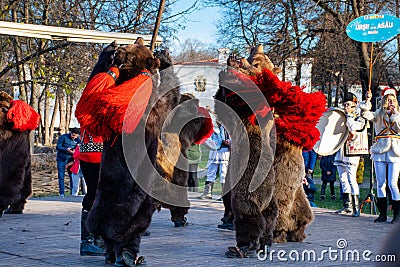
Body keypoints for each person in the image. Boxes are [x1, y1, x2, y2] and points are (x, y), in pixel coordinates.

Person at [361, 87, 400, 224]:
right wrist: (367, 101)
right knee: (381, 183)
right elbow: (366, 115)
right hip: (380, 150)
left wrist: (394, 115)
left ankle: (397, 214)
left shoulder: (399, 114)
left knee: (392, 183)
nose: (390, 102)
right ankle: (382, 213)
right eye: (388, 100)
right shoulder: (378, 114)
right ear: (383, 101)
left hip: (395, 151)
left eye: (392, 100)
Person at [334, 92, 366, 217]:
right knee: (343, 179)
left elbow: (353, 127)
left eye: (349, 104)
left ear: (355, 104)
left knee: (352, 178)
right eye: (345, 104)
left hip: (352, 151)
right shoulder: (343, 117)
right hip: (342, 150)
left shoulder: (360, 117)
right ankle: (348, 206)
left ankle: (356, 207)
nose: (346, 106)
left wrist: (348, 115)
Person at [78, 129, 105, 256]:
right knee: (96, 194)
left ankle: (96, 238)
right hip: (97, 154)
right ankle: (88, 241)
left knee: (96, 194)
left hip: (88, 152)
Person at [198, 122, 231, 200]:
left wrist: (228, 142)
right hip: (213, 152)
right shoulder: (212, 127)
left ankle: (224, 195)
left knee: (223, 173)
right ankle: (207, 193)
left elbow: (231, 138)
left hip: (224, 151)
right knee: (211, 172)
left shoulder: (227, 127)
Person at [56, 128, 80, 196]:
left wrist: (75, 151)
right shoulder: (63, 137)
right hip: (62, 159)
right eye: (72, 135)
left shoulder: (78, 139)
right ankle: (62, 193)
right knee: (61, 176)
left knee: (72, 176)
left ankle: (72, 193)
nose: (73, 137)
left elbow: (79, 148)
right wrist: (66, 149)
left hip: (71, 160)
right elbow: (58, 147)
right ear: (70, 132)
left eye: (75, 136)